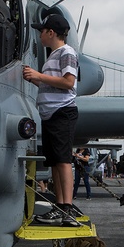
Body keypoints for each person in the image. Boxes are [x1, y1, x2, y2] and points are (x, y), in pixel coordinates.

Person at [23, 13, 80, 226]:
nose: (39, 35)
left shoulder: (66, 52)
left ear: (51, 32)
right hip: (51, 114)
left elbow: (68, 82)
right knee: (56, 161)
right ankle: (59, 206)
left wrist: (37, 76)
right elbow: (54, 84)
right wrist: (36, 80)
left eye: (42, 31)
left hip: (61, 112)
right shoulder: (54, 55)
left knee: (63, 161)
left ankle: (67, 208)